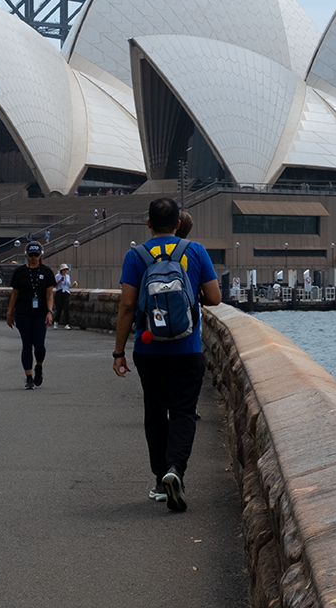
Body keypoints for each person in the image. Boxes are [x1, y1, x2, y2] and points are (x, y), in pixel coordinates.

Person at [113, 197, 221, 512]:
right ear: (178, 224)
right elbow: (214, 298)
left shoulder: (135, 256)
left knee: (156, 412)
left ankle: (161, 480)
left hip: (149, 347)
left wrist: (119, 352)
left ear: (148, 223)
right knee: (184, 412)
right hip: (187, 348)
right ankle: (177, 469)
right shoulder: (194, 251)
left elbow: (128, 306)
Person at [7, 242, 54, 389]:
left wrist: (49, 311)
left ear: (41, 255)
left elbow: (49, 294)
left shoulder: (46, 271)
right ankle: (28, 378)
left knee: (39, 345)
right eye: (31, 255)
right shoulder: (19, 272)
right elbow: (14, 294)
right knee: (27, 345)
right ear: (26, 255)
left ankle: (38, 366)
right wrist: (9, 313)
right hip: (23, 312)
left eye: (36, 255)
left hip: (40, 312)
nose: (33, 258)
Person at [53, 263, 76, 328]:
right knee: (59, 308)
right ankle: (56, 321)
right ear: (61, 270)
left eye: (66, 270)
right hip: (59, 292)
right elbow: (54, 285)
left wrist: (73, 285)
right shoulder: (57, 276)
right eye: (64, 270)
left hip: (66, 292)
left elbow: (68, 285)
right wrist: (60, 281)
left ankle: (67, 324)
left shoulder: (67, 276)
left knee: (66, 308)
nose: (65, 271)